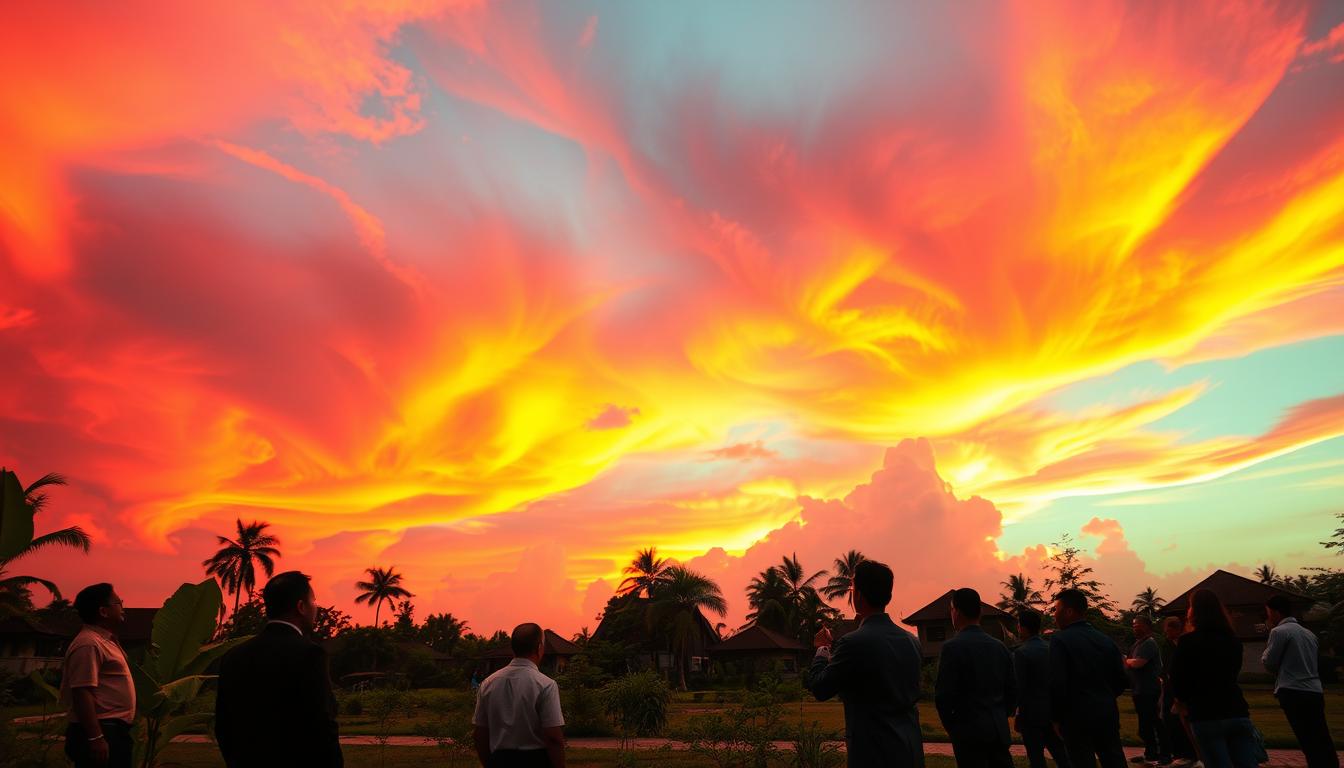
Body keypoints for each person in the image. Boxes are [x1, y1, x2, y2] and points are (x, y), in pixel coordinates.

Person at [215, 571, 343, 767]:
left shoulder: (234, 656)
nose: (315, 608)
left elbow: (223, 726)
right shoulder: (309, 654)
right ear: (301, 607)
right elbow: (322, 724)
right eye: (313, 602)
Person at [807, 559, 924, 768]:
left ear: (858, 595)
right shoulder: (912, 641)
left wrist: (822, 650)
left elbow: (820, 688)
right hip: (910, 749)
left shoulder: (853, 643)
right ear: (889, 595)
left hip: (873, 752)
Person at [1170, 589, 1257, 768]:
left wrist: (1182, 702)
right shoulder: (1232, 641)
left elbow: (1177, 679)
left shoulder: (1187, 642)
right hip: (1236, 711)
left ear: (1194, 611)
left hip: (1206, 715)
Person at [935, 588, 1016, 768]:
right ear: (980, 612)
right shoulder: (999, 647)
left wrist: (953, 728)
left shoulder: (952, 648)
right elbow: (1012, 690)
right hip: (998, 730)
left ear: (956, 612)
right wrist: (1000, 715)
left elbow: (943, 697)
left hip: (968, 733)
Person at [1049, 588, 1128, 768]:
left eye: (1056, 609)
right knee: (1114, 760)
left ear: (1068, 612)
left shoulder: (1060, 640)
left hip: (1075, 717)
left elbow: (1057, 683)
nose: (1054, 615)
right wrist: (1104, 696)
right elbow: (1121, 679)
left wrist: (1056, 717)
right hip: (1106, 713)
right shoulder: (1105, 640)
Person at [60, 583, 135, 768]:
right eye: (118, 603)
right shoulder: (89, 644)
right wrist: (96, 737)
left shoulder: (105, 641)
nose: (123, 607)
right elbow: (81, 691)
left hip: (113, 730)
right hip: (101, 729)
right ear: (103, 611)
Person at [473, 623, 565, 768]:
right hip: (535, 760)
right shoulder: (545, 685)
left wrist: (490, 763)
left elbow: (480, 735)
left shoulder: (488, 683)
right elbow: (553, 737)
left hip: (499, 760)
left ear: (513, 648)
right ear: (539, 648)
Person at [1263, 595, 1337, 768]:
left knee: (1306, 738)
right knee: (1321, 735)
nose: (1268, 617)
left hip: (1293, 690)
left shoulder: (1279, 632)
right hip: (1314, 690)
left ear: (1275, 612)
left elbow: (1269, 662)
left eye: (1268, 613)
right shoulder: (1309, 634)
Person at [1014, 610, 1073, 768]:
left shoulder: (1021, 653)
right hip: (1053, 711)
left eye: (1018, 625)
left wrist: (1018, 713)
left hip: (1031, 714)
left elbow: (1021, 688)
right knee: (1061, 755)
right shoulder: (1050, 648)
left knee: (1036, 757)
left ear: (1023, 628)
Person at [1126, 615, 1169, 765]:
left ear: (1146, 626)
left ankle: (1164, 754)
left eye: (1137, 625)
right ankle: (1150, 752)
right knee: (1145, 725)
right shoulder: (1137, 644)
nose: (1134, 628)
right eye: (1133, 625)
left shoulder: (1149, 643)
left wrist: (1126, 661)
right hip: (1139, 690)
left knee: (1155, 723)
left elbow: (1138, 663)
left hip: (1149, 690)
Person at [1159, 616, 1197, 768]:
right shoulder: (1167, 645)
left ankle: (1190, 753)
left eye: (1169, 631)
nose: (1167, 634)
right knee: (1171, 720)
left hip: (1182, 687)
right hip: (1170, 687)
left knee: (1184, 721)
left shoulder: (1185, 643)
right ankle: (1179, 752)